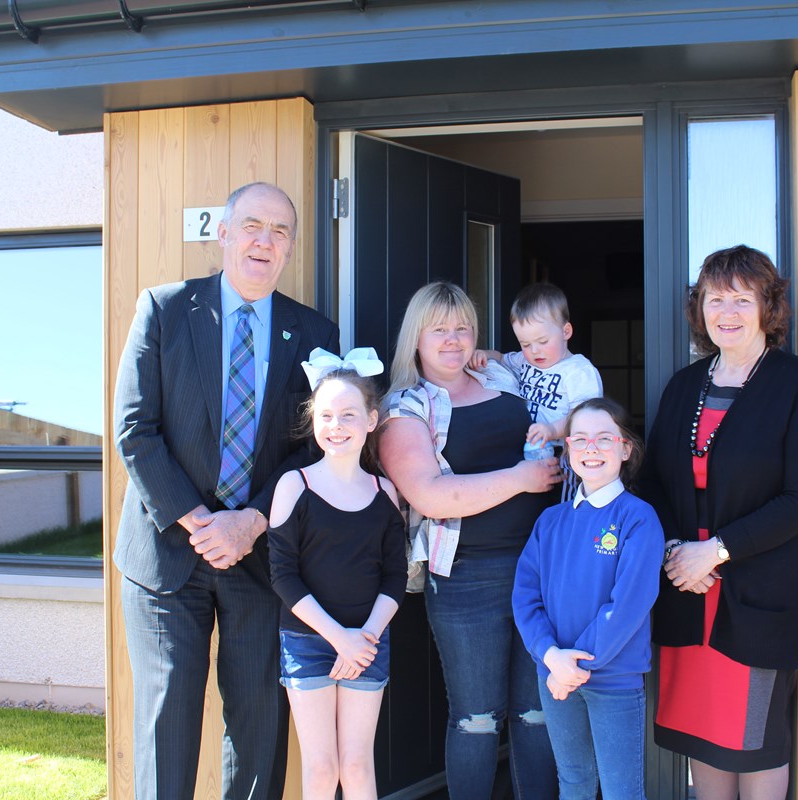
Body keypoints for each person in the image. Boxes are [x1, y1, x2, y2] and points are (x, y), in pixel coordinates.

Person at [113, 182, 340, 800]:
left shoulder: (314, 332)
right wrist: (201, 522)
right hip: (165, 557)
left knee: (258, 726)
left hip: (262, 559)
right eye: (252, 226)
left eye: (280, 231)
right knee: (170, 724)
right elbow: (135, 430)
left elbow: (315, 447)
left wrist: (250, 522)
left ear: (291, 247)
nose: (264, 241)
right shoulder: (164, 309)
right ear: (224, 233)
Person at [643, 245, 798, 800]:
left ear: (767, 307)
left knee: (756, 742)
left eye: (742, 299)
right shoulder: (685, 386)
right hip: (685, 585)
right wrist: (677, 550)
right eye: (714, 298)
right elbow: (653, 482)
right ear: (698, 307)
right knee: (704, 739)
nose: (726, 311)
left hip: (754, 591)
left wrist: (717, 551)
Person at [376, 281, 560, 800]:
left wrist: (494, 352)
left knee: (538, 714)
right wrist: (522, 479)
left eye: (464, 328)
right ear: (416, 337)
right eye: (440, 330)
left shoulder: (500, 373)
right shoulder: (404, 408)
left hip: (541, 570)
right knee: (478, 720)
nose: (454, 340)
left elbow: (548, 361)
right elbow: (430, 495)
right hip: (466, 581)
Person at [267, 349, 407, 800]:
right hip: (309, 642)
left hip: (368, 641)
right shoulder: (296, 485)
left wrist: (363, 636)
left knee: (356, 766)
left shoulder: (385, 492)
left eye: (348, 414)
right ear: (313, 422)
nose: (336, 425)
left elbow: (394, 575)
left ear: (371, 420)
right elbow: (283, 575)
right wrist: (337, 637)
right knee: (323, 770)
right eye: (326, 415)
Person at [512, 397, 664, 800]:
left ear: (625, 448)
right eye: (578, 440)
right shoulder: (551, 520)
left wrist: (576, 664)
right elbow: (526, 598)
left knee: (621, 791)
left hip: (612, 680)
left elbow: (629, 603)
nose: (590, 449)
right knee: (574, 783)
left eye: (603, 438)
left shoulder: (638, 518)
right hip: (554, 673)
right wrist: (551, 658)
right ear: (567, 451)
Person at [470, 283, 603, 499]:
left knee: (562, 506)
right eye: (525, 343)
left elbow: (585, 416)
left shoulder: (579, 371)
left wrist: (552, 430)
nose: (534, 351)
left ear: (566, 331)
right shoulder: (525, 361)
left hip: (565, 456)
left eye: (542, 341)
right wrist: (482, 354)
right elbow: (502, 357)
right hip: (528, 451)